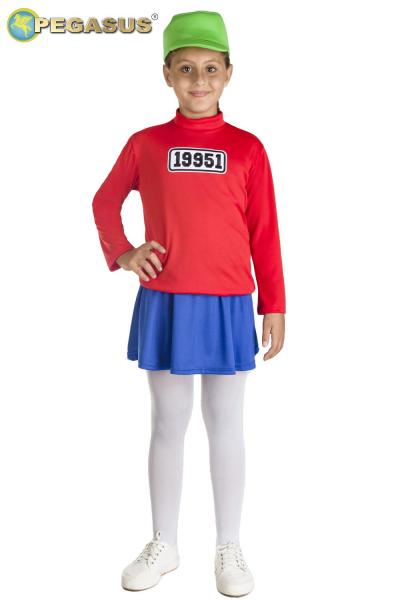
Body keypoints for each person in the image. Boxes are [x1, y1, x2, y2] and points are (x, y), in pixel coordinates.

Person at [92, 10, 286, 597]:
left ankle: (228, 546)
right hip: (167, 300)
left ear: (228, 73)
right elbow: (104, 202)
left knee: (226, 423)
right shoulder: (146, 144)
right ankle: (164, 542)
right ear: (167, 75)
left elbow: (264, 231)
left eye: (209, 69)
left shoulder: (248, 148)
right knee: (167, 422)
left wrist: (274, 302)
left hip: (228, 302)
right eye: (185, 69)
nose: (198, 81)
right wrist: (124, 252)